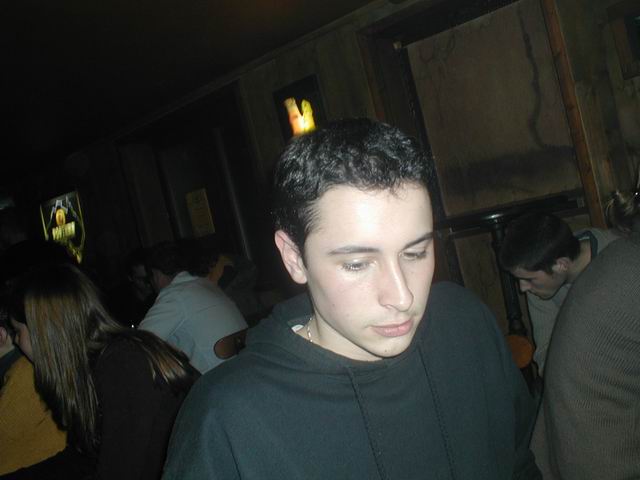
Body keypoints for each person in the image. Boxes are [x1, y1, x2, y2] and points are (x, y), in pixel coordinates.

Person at [163, 119, 541, 479]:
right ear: (294, 258)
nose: (402, 296)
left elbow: (519, 464)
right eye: (357, 264)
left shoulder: (466, 323)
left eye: (415, 253)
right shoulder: (228, 416)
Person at [3, 264, 198, 479]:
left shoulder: (123, 364)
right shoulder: (94, 369)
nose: (16, 341)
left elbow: (121, 472)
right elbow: (83, 460)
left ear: (42, 330)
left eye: (18, 331)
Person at [499, 212, 619, 375]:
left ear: (561, 264)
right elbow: (547, 352)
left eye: (529, 279)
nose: (522, 288)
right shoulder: (542, 287)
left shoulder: (622, 258)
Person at [139, 241, 248, 373]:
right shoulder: (207, 285)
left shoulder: (174, 295)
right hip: (243, 369)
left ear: (156, 274)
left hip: (216, 379)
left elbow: (138, 345)